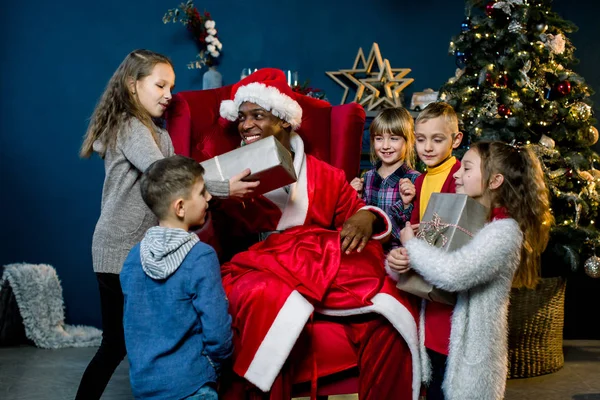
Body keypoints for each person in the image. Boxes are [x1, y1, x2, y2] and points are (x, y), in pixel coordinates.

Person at [213, 68, 421, 400]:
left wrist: (366, 218)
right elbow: (186, 202)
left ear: (283, 120)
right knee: (264, 296)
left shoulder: (325, 175)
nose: (246, 124)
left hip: (316, 270)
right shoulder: (226, 171)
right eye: (242, 116)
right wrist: (218, 190)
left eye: (257, 115)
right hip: (255, 271)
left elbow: (357, 211)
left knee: (388, 315)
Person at [76, 49, 255, 399]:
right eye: (160, 85)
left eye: (171, 86)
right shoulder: (130, 126)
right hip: (118, 248)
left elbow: (184, 175)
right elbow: (166, 176)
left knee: (149, 334)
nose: (169, 95)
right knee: (115, 344)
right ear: (132, 86)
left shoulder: (159, 132)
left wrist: (218, 181)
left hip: (144, 250)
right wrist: (224, 188)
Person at [389, 141, 553, 400]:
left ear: (495, 180)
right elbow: (428, 267)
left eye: (466, 168)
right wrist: (400, 260)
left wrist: (412, 246)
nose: (456, 174)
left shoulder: (504, 232)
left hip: (465, 362)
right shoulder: (462, 220)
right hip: (432, 347)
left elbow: (454, 273)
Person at [120, 155, 232, 400]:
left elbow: (133, 326)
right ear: (180, 207)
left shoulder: (133, 256)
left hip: (144, 385)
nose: (209, 198)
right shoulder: (201, 256)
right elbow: (217, 330)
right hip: (192, 384)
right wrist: (213, 367)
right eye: (202, 193)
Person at [385, 102, 463, 396]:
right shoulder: (421, 179)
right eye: (420, 139)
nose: (427, 147)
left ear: (455, 140)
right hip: (426, 289)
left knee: (448, 363)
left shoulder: (458, 175)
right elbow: (416, 227)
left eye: (437, 139)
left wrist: (414, 243)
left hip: (449, 289)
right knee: (428, 358)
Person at [350, 107, 420, 250]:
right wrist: (355, 199)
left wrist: (407, 205)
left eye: (394, 138)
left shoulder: (415, 180)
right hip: (368, 251)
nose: (385, 146)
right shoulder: (367, 178)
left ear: (409, 140)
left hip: (398, 255)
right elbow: (361, 223)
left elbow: (416, 228)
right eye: (379, 139)